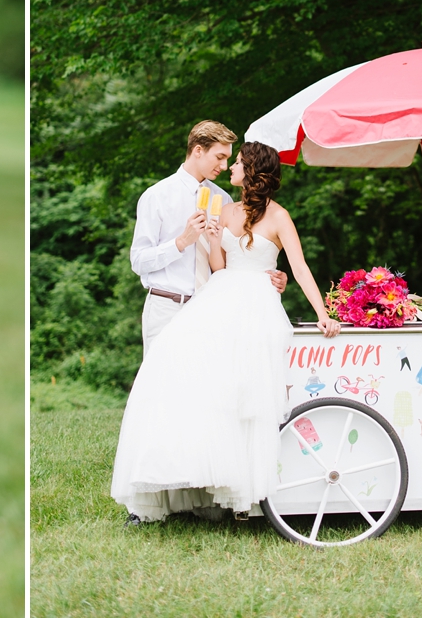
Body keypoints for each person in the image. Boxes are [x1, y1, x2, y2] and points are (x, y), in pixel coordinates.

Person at [111, 141, 339, 524]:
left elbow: (299, 268)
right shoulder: (224, 208)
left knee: (249, 395)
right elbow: (219, 268)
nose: (230, 167)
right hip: (221, 298)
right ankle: (196, 482)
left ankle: (247, 493)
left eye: (236, 162)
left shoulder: (280, 217)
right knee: (205, 385)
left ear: (252, 172)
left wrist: (323, 313)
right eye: (227, 159)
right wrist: (216, 242)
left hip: (258, 304)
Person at [129, 121, 286, 352]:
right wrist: (181, 242)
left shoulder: (224, 201)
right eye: (220, 157)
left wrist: (269, 277)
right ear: (198, 150)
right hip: (166, 308)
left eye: (228, 159)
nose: (224, 166)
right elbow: (139, 262)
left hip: (211, 310)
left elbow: (233, 261)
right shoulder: (157, 196)